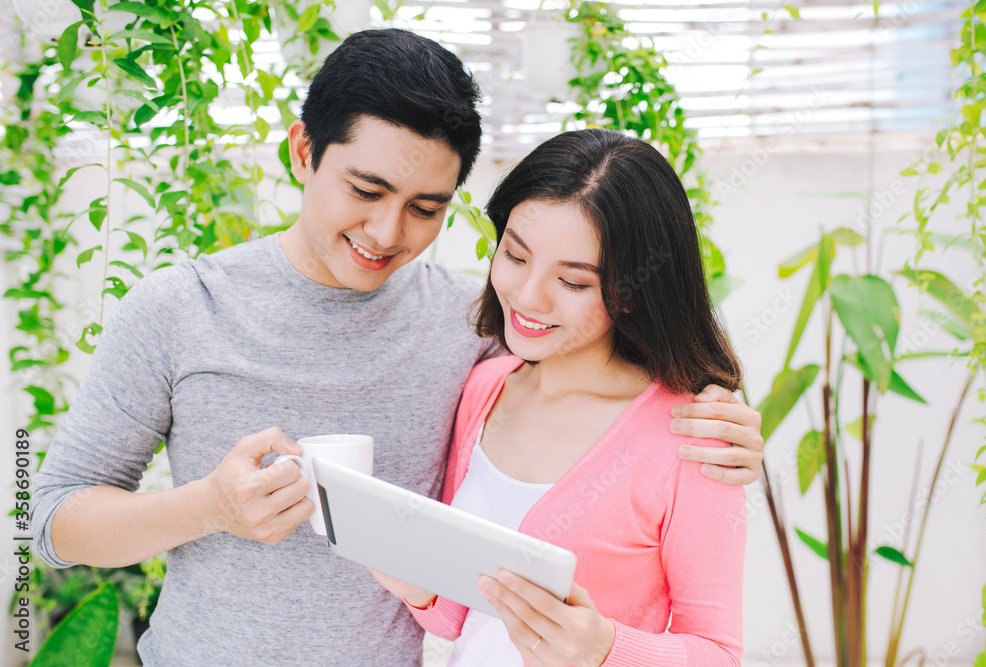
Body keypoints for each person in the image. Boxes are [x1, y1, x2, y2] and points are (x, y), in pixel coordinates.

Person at [32, 29, 761, 666]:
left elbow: (601, 380)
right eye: (366, 189)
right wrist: (209, 507)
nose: (386, 232)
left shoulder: (471, 329)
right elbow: (50, 520)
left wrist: (727, 419)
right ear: (303, 150)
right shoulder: (177, 309)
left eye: (425, 207)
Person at [373, 129, 746, 666]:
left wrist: (604, 649)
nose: (527, 297)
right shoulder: (484, 390)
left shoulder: (692, 437)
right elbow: (460, 618)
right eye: (516, 256)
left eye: (573, 282)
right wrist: (416, 584)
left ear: (634, 293)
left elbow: (720, 654)